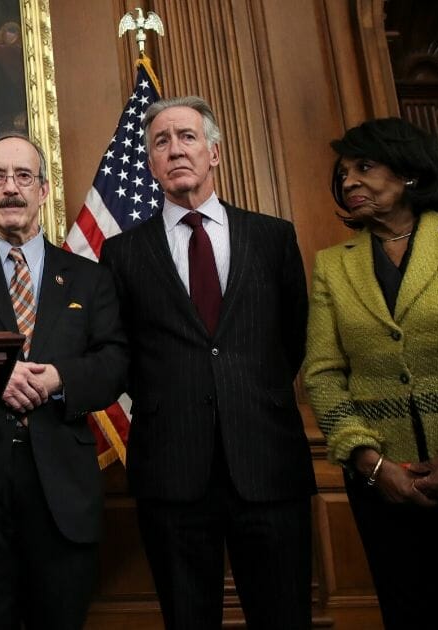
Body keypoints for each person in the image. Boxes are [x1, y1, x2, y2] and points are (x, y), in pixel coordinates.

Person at [99, 96, 315, 629]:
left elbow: (293, 338)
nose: (175, 150)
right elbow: (119, 349)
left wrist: (244, 393)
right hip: (172, 470)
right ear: (150, 163)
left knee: (284, 615)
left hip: (268, 463)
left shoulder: (273, 237)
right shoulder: (122, 253)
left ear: (214, 152)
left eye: (188, 137)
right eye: (161, 142)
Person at [0, 133, 128, 629]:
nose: (10, 188)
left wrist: (59, 376)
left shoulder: (88, 277)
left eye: (22, 176)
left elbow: (116, 360)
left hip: (61, 488)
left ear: (43, 189)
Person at [303, 117, 438, 629]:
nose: (349, 182)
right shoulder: (332, 265)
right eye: (343, 174)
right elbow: (321, 373)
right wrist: (372, 463)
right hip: (380, 482)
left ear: (407, 173)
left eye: (364, 167)